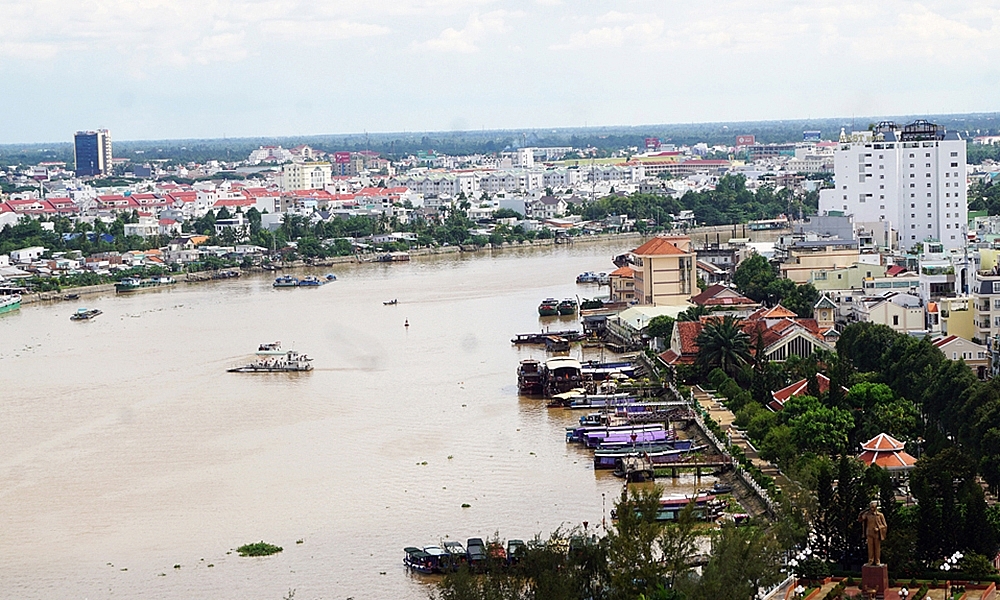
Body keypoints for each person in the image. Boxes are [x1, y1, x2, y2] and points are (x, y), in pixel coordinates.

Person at [858, 501, 888, 565]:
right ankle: (871, 560)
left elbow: (885, 525)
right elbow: (860, 519)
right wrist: (863, 512)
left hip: (876, 534)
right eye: (871, 507)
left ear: (876, 508)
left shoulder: (880, 515)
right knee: (870, 548)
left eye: (873, 507)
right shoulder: (867, 515)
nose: (871, 509)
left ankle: (877, 560)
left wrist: (878, 528)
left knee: (877, 548)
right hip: (869, 533)